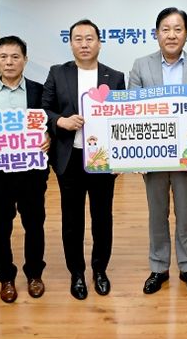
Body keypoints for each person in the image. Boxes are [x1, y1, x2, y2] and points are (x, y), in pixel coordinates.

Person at [129, 7, 187, 296]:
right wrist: (136, 153)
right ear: (156, 33)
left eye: (177, 29)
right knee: (157, 214)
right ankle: (159, 268)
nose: (171, 35)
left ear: (186, 33)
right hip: (153, 156)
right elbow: (131, 112)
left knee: (185, 214)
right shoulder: (141, 66)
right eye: (165, 29)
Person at [42, 19, 125, 300]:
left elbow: (122, 119)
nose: (84, 44)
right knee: (72, 220)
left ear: (99, 42)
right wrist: (61, 121)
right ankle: (76, 273)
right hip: (70, 159)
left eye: (90, 38)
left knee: (102, 218)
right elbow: (44, 109)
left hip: (102, 159)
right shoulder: (58, 72)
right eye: (78, 39)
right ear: (70, 44)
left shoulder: (115, 77)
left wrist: (119, 160)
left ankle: (100, 270)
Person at [0, 35, 50, 304]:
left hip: (31, 173)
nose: (9, 62)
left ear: (25, 60)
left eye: (15, 57)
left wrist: (49, 138)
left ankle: (34, 274)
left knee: (34, 225)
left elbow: (50, 123)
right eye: (4, 57)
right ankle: (5, 276)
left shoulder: (40, 91)